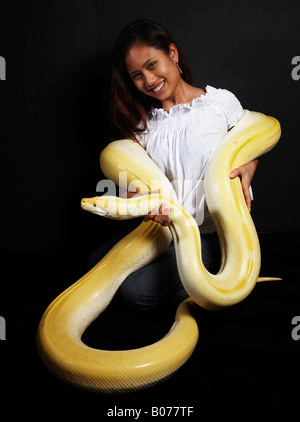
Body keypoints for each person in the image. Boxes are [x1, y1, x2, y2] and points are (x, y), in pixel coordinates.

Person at [88, 19, 259, 310]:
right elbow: (139, 185)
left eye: (152, 65)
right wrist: (139, 200)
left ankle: (216, 285)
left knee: (135, 291)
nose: (149, 80)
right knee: (95, 263)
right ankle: (199, 284)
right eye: (137, 75)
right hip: (166, 230)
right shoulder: (144, 128)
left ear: (173, 54)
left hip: (213, 234)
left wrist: (250, 164)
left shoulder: (218, 103)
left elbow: (248, 146)